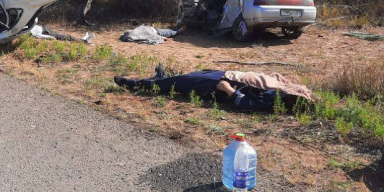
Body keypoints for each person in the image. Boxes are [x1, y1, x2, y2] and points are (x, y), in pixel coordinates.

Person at [114, 66, 314, 112]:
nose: (300, 92)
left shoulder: (274, 101)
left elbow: (247, 104)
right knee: (186, 79)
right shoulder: (285, 90)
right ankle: (159, 80)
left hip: (222, 84)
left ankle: (136, 84)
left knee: (182, 82)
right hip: (227, 74)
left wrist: (228, 89)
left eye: (300, 95)